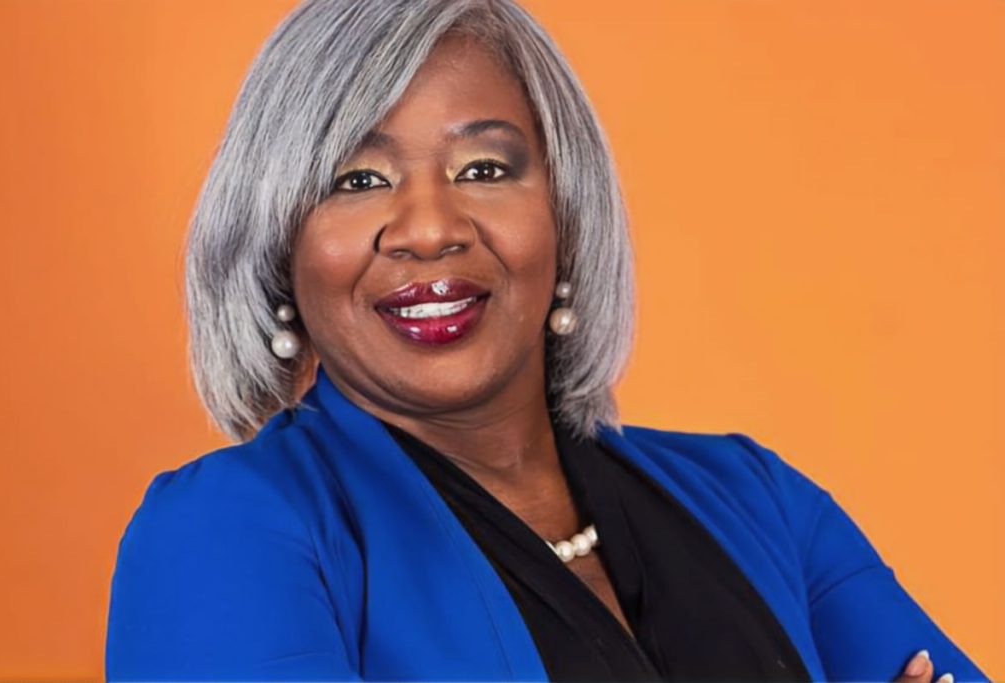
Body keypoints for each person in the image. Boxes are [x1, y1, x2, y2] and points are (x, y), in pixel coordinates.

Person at [105, 1, 989, 681]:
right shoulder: (227, 532)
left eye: (484, 168)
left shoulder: (758, 498)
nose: (429, 227)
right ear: (278, 242)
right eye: (358, 178)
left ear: (564, 211)